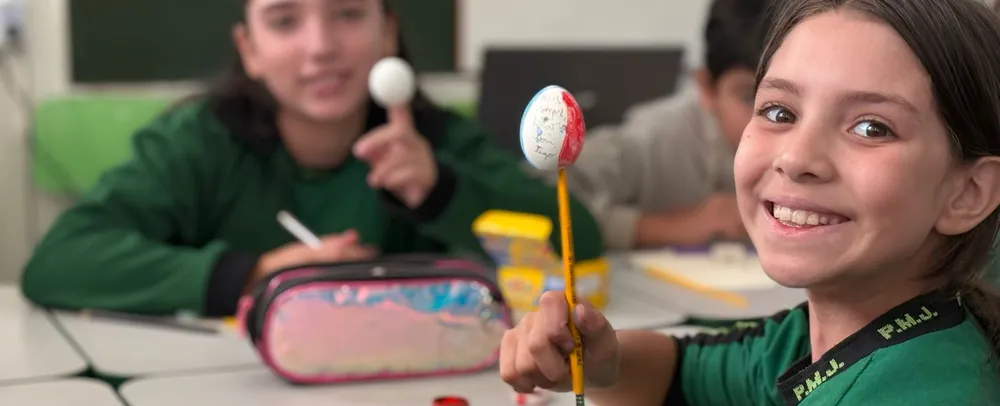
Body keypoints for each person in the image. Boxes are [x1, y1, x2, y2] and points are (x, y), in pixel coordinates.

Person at [357, 0, 1000, 406]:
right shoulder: (901, 333)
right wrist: (601, 361)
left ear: (968, 191)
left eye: (870, 126)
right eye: (779, 111)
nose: (798, 156)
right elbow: (691, 374)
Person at [19, 0, 603, 317]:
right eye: (284, 21)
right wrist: (256, 273)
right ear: (249, 48)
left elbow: (584, 240)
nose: (321, 47)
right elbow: (58, 262)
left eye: (348, 13)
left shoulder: (436, 140)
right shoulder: (197, 142)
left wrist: (443, 191)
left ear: (387, 33)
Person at [554, 0, 770, 250]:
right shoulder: (654, 138)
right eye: (748, 96)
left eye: (786, 101)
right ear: (706, 88)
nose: (769, 117)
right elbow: (544, 201)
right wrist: (671, 227)